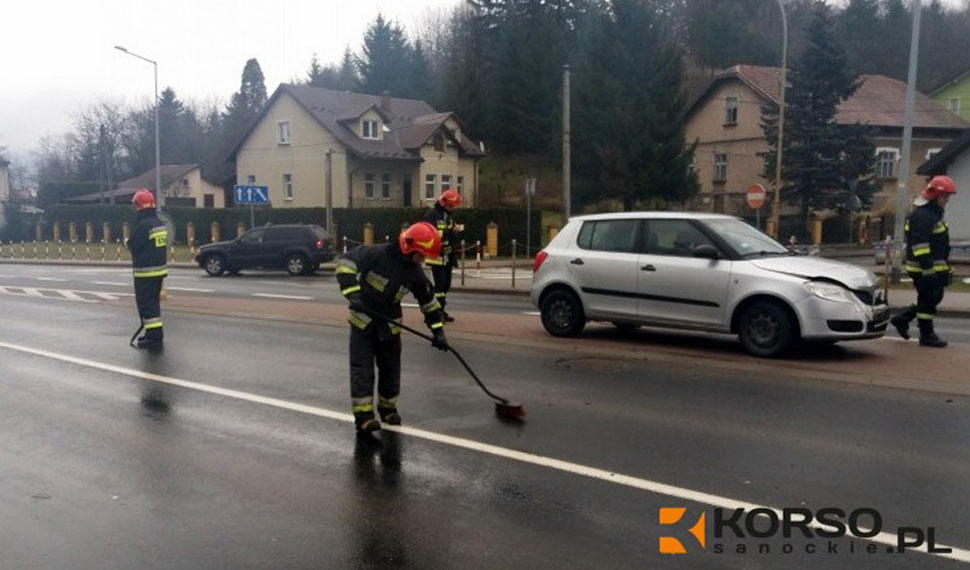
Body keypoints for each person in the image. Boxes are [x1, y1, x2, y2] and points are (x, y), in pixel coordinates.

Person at [335, 221, 448, 433]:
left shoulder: (415, 274)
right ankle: (364, 417)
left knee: (391, 370)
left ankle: (388, 409)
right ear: (411, 248)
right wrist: (353, 294)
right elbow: (345, 264)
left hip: (390, 327)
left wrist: (438, 331)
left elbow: (429, 303)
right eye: (421, 255)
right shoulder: (377, 254)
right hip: (364, 324)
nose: (423, 260)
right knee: (363, 370)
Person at [889, 175, 957, 348]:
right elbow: (920, 245)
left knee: (931, 296)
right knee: (929, 298)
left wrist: (943, 270)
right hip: (923, 268)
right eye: (944, 197)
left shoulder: (931, 214)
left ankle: (902, 319)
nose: (947, 201)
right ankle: (926, 334)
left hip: (932, 266)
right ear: (934, 197)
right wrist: (928, 270)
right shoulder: (923, 216)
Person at [127, 188, 168, 349]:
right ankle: (153, 333)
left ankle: (155, 337)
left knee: (146, 305)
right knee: (153, 304)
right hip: (159, 271)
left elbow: (134, 245)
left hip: (145, 272)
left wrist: (127, 241)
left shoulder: (143, 225)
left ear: (138, 206)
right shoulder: (158, 222)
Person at [424, 188, 463, 322]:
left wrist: (455, 232)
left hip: (447, 256)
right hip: (436, 256)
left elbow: (449, 233)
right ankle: (437, 312)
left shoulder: (448, 215)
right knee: (439, 286)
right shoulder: (432, 214)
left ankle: (441, 310)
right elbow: (432, 234)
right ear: (444, 203)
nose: (452, 208)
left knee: (446, 285)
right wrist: (452, 231)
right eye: (451, 205)